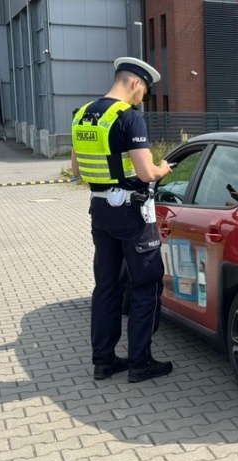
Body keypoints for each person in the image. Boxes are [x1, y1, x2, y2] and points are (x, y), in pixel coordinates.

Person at [71, 57, 174, 383]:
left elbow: (76, 170)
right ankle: (140, 363)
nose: (143, 98)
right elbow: (146, 173)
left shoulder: (81, 115)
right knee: (146, 284)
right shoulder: (129, 117)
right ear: (135, 83)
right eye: (144, 91)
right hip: (131, 214)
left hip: (100, 210)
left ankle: (103, 362)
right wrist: (162, 168)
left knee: (107, 286)